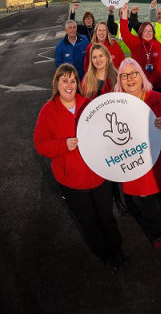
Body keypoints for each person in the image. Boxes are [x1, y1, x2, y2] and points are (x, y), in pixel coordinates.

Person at [33, 64, 125, 271]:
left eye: (73, 80)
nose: (69, 85)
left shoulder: (88, 105)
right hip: (72, 183)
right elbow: (40, 144)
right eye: (64, 80)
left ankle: (117, 249)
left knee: (107, 218)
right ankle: (105, 255)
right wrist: (63, 145)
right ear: (57, 83)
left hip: (98, 177)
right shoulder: (48, 111)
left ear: (77, 84)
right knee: (89, 222)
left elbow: (106, 132)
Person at [115, 58, 161, 257]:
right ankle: (158, 238)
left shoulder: (156, 98)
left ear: (142, 76)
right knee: (148, 210)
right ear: (120, 80)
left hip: (160, 167)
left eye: (134, 73)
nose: (130, 79)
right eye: (124, 75)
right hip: (137, 170)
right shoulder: (116, 106)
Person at [119, 5, 161, 91]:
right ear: (141, 32)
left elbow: (160, 68)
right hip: (138, 85)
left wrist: (150, 83)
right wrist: (124, 12)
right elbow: (124, 32)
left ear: (153, 32)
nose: (148, 33)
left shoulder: (158, 46)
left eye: (150, 31)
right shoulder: (135, 42)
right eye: (145, 31)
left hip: (156, 86)